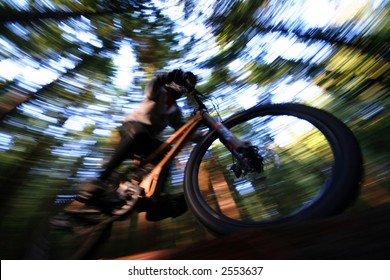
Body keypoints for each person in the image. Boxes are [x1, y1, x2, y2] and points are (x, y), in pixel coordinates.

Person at [65, 69, 200, 220]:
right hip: (132, 127)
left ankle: (154, 198)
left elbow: (184, 130)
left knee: (168, 153)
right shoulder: (158, 91)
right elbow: (153, 84)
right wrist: (166, 76)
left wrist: (207, 134)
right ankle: (99, 180)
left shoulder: (175, 110)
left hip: (146, 141)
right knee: (139, 133)